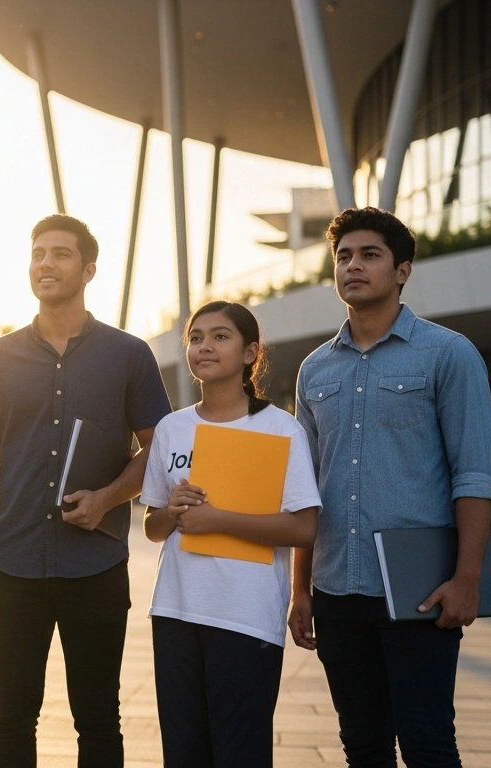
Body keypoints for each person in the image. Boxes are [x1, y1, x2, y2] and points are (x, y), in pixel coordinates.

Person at [0, 214, 172, 766]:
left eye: (60, 254)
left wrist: (106, 498)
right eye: (37, 253)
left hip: (95, 565)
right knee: (12, 716)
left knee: (99, 716)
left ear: (89, 269)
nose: (45, 263)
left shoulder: (129, 354)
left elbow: (159, 448)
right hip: (12, 563)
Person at [290, 207, 491, 767]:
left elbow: (475, 474)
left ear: (402, 270)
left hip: (419, 591)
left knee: (428, 743)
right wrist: (300, 589)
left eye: (369, 255)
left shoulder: (448, 354)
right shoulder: (314, 370)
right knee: (362, 745)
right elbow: (304, 488)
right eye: (343, 256)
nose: (352, 266)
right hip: (336, 590)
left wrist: (467, 579)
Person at [140, 301, 321, 767]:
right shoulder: (171, 427)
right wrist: (173, 512)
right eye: (196, 337)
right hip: (176, 612)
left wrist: (217, 520)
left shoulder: (280, 429)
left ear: (250, 353)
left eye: (220, 336)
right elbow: (153, 526)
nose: (205, 346)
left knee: (239, 753)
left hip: (245, 615)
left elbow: (304, 527)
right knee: (183, 753)